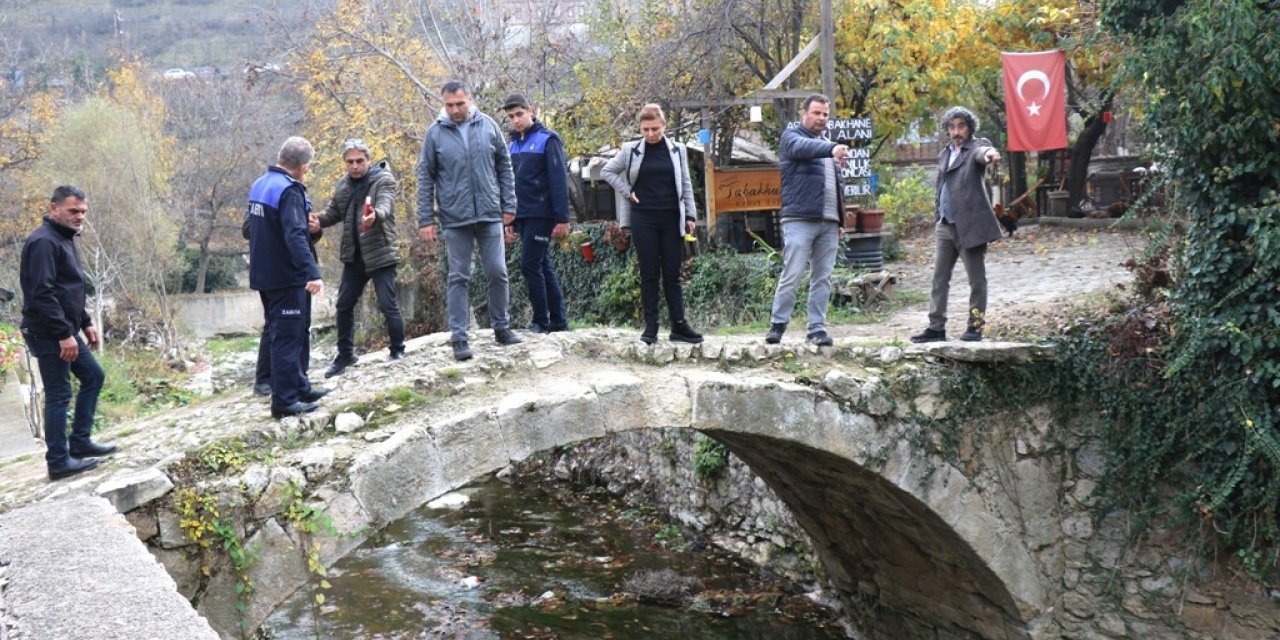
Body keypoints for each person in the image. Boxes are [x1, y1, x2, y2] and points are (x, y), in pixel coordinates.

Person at [417, 80, 523, 361]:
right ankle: (459, 338)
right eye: (449, 105)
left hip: (489, 212)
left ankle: (502, 327)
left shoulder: (488, 126)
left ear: (470, 100)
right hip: (455, 218)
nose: (454, 109)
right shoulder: (435, 134)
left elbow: (504, 166)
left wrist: (509, 205)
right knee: (458, 277)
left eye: (459, 104)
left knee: (498, 271)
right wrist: (425, 219)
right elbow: (425, 177)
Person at [19, 185, 118, 480]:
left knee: (93, 376)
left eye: (83, 212)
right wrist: (64, 334)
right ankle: (59, 461)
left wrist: (85, 320)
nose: (80, 217)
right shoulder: (43, 243)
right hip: (48, 331)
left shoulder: (65, 239)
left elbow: (70, 288)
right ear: (54, 208)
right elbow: (42, 294)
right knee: (59, 393)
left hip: (65, 328)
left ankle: (80, 442)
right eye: (73, 211)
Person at [601, 103, 703, 345]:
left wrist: (690, 215)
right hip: (643, 218)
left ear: (664, 126)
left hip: (671, 219)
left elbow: (686, 184)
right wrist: (628, 191)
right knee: (648, 273)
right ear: (640, 128)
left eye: (655, 129)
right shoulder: (631, 150)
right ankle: (651, 327)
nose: (650, 134)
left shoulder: (678, 150)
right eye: (645, 129)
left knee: (672, 273)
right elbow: (608, 171)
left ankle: (679, 325)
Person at [247, 136, 330, 418]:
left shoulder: (260, 185)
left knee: (289, 331)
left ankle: (300, 385)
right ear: (304, 166)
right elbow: (295, 236)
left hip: (264, 274)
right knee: (288, 337)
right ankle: (284, 401)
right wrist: (312, 272)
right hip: (286, 276)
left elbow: (249, 229)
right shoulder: (289, 190)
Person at [910, 106, 1002, 343]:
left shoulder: (975, 149)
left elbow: (985, 152)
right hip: (944, 225)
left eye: (961, 126)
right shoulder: (944, 154)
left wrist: (991, 154)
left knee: (976, 280)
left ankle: (975, 326)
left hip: (970, 225)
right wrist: (937, 214)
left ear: (969, 128)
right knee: (939, 279)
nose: (956, 131)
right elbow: (941, 186)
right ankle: (936, 327)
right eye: (952, 127)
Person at [315, 138, 406, 378]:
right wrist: (316, 221)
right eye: (350, 162)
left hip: (380, 252)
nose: (354, 166)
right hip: (354, 255)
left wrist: (375, 215)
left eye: (359, 161)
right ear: (344, 163)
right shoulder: (343, 185)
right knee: (344, 305)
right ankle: (345, 355)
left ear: (368, 160)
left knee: (387, 303)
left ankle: (398, 349)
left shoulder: (383, 179)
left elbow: (386, 205)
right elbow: (334, 213)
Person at [764, 94, 849, 347]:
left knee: (822, 277)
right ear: (804, 113)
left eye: (825, 114)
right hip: (799, 218)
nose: (821, 118)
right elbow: (804, 149)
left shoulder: (828, 146)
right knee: (792, 272)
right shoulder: (791, 137)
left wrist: (841, 220)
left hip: (830, 222)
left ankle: (816, 329)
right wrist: (832, 149)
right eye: (816, 113)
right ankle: (778, 325)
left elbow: (838, 186)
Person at [502, 93, 571, 334]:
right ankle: (559, 321)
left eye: (519, 114)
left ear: (530, 110)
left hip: (542, 213)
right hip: (521, 214)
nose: (516, 120)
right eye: (511, 117)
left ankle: (541, 321)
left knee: (530, 265)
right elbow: (509, 184)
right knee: (543, 265)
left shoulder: (548, 139)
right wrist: (509, 217)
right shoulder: (512, 145)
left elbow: (559, 180)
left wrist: (562, 218)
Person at [242, 202, 322, 397]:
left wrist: (315, 229)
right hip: (278, 271)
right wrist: (281, 223)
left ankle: (300, 380)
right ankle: (264, 381)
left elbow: (306, 236)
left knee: (302, 326)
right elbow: (247, 229)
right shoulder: (268, 194)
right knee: (274, 327)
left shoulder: (298, 193)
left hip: (300, 269)